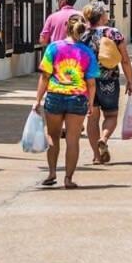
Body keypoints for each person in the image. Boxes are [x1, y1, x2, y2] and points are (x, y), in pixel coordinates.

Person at [33, 13, 98, 188]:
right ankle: (68, 178)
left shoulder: (53, 48)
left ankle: (52, 172)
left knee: (53, 136)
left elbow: (45, 77)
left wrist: (38, 99)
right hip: (77, 98)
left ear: (65, 28)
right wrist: (91, 103)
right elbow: (91, 83)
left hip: (55, 95)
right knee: (72, 139)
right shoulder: (87, 52)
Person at [80, 1, 132, 164]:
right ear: (102, 16)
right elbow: (124, 60)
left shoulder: (83, 34)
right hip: (109, 80)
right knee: (111, 115)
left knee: (92, 118)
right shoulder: (113, 33)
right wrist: (130, 80)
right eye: (106, 12)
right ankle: (103, 138)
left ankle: (97, 156)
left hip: (88, 80)